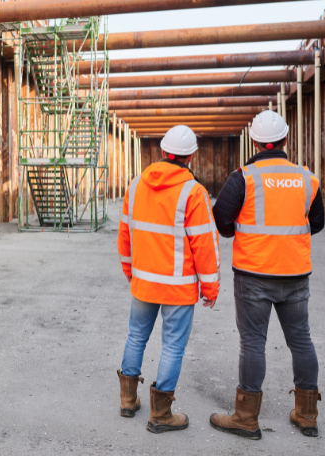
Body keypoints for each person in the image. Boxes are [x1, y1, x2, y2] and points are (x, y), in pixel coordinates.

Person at [210, 110, 325, 440]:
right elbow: (316, 223)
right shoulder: (306, 177)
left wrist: (243, 233)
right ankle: (307, 415)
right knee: (301, 340)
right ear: (286, 140)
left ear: (256, 142)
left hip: (253, 274)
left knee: (252, 344)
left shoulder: (244, 177)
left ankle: (246, 418)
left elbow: (222, 219)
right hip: (295, 274)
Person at [117, 125, 221, 434]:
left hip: (143, 282)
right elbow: (204, 243)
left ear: (163, 152)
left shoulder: (136, 185)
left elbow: (125, 234)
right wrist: (210, 286)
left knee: (136, 336)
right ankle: (160, 415)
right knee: (172, 348)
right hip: (178, 286)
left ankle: (127, 400)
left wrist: (129, 271)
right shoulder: (194, 192)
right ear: (191, 157)